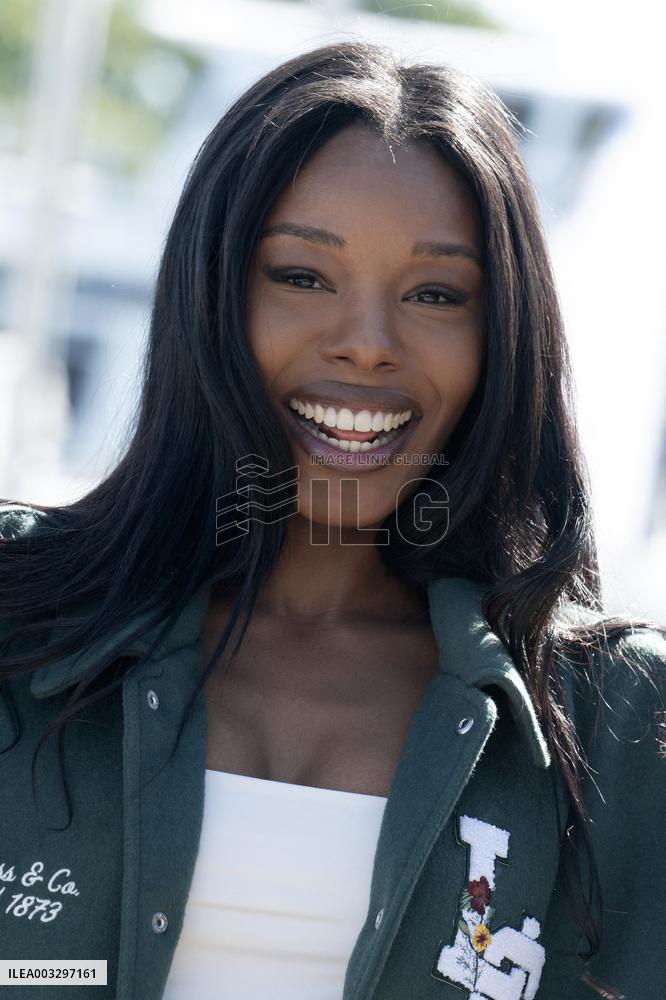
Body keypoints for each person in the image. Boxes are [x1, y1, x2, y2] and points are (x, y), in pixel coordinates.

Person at [0, 39, 664, 1000]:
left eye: (436, 294)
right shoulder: (18, 614)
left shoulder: (617, 725)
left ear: (502, 338)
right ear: (210, 295)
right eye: (302, 276)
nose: (367, 345)